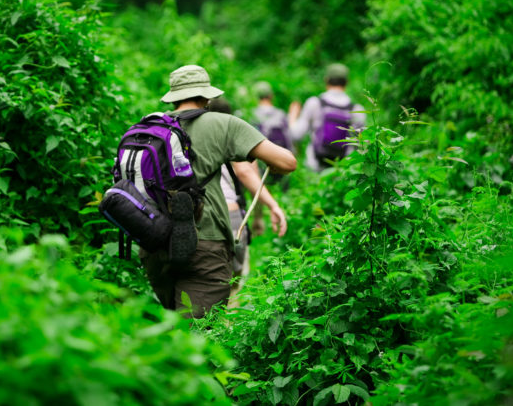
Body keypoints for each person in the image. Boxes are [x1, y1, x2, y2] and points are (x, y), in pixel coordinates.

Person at [139, 65, 296, 318]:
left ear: (173, 96)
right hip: (204, 241)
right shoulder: (223, 123)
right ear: (206, 97)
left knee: (173, 323)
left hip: (154, 241)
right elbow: (288, 163)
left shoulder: (151, 125)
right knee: (197, 336)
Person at [208, 98, 287, 300]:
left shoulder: (192, 137)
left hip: (200, 214)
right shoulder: (233, 137)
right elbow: (248, 175)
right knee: (232, 285)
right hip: (232, 215)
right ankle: (226, 326)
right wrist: (265, 211)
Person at [288, 63, 366, 171]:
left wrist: (292, 115)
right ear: (347, 82)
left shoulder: (314, 103)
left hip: (315, 169)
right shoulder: (357, 109)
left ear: (326, 80)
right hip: (343, 171)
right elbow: (362, 146)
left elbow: (296, 135)